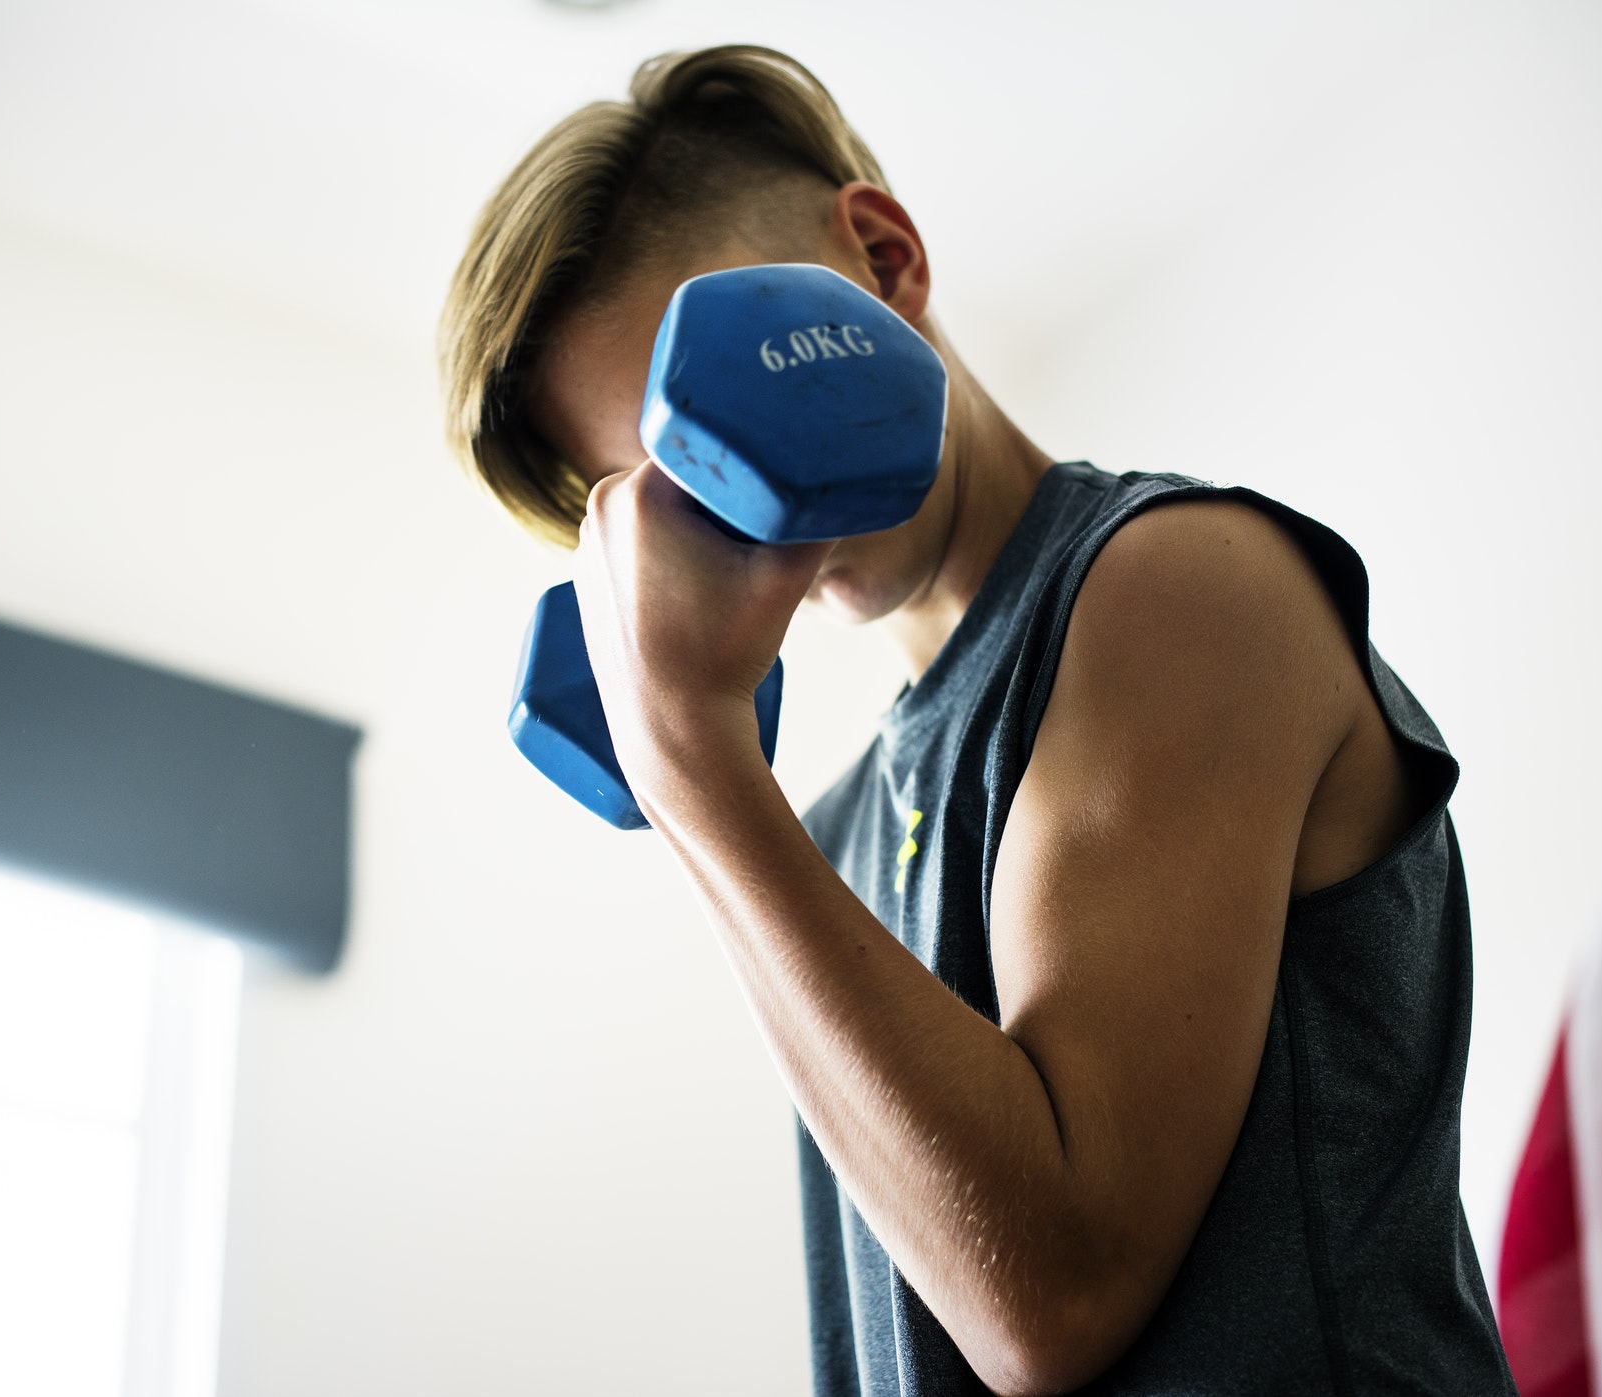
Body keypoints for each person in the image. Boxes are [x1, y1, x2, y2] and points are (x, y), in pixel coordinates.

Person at [440, 45, 1515, 1396]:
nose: (738, 499)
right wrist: (711, 793)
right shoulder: (821, 836)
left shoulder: (1177, 585)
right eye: (670, 489)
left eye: (719, 402)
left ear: (882, 260)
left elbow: (1049, 1295)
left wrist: (693, 765)